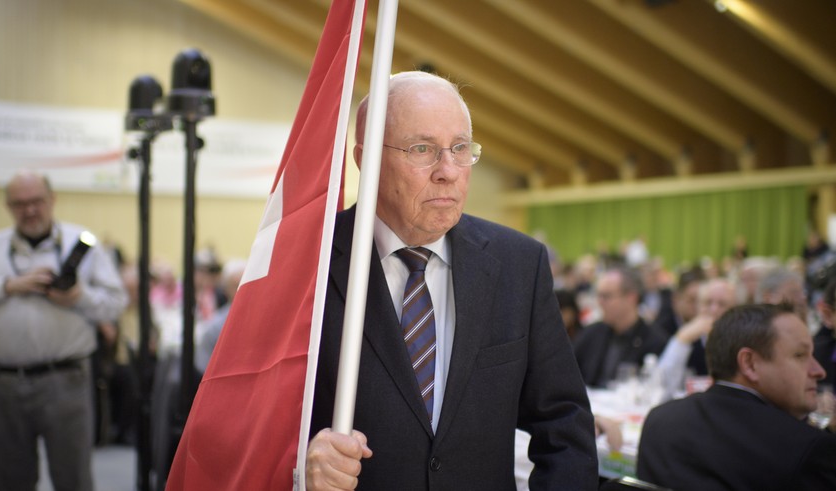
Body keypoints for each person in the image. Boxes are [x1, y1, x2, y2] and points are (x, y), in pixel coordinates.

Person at [304, 71, 597, 490]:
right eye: (422, 149)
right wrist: (301, 461)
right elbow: (248, 423)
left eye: (460, 149)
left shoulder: (518, 264)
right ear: (364, 160)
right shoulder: (307, 264)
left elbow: (564, 423)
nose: (448, 171)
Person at [0, 170, 127, 491]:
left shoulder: (85, 244)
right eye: (19, 204)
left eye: (37, 201)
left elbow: (116, 303)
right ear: (8, 206)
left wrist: (79, 296)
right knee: (5, 481)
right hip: (3, 384)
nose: (29, 210)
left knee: (73, 478)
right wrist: (8, 286)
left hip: (66, 382)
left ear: (52, 200)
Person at [637, 304, 836, 491]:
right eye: (800, 355)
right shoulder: (806, 449)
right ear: (749, 364)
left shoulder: (660, 421)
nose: (819, 371)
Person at [572, 267, 669, 388]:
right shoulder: (591, 334)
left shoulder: (654, 340)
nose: (600, 302)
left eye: (606, 296)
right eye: (599, 296)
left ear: (631, 298)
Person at [656, 278, 737, 397]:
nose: (713, 310)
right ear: (698, 306)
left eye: (722, 304)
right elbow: (662, 385)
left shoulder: (741, 343)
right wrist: (682, 339)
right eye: (708, 302)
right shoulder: (688, 337)